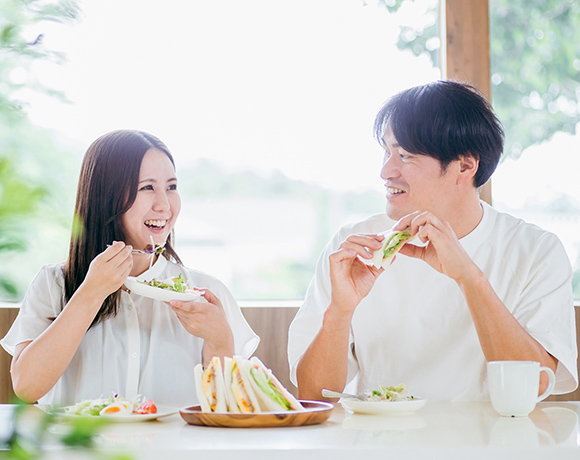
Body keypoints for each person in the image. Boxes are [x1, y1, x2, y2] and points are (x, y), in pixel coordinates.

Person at [288, 80, 578, 402]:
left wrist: (469, 277)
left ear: (465, 165)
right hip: (378, 444)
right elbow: (314, 394)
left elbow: (535, 385)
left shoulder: (536, 251)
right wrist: (341, 310)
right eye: (387, 151)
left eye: (406, 155)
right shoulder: (353, 247)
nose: (386, 171)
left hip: (491, 448)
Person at [1, 130, 259, 406]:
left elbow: (229, 409)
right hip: (82, 449)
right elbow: (27, 387)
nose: (164, 205)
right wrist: (90, 293)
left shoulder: (203, 293)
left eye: (171, 187)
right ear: (106, 197)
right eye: (147, 187)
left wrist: (220, 340)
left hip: (174, 450)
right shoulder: (54, 284)